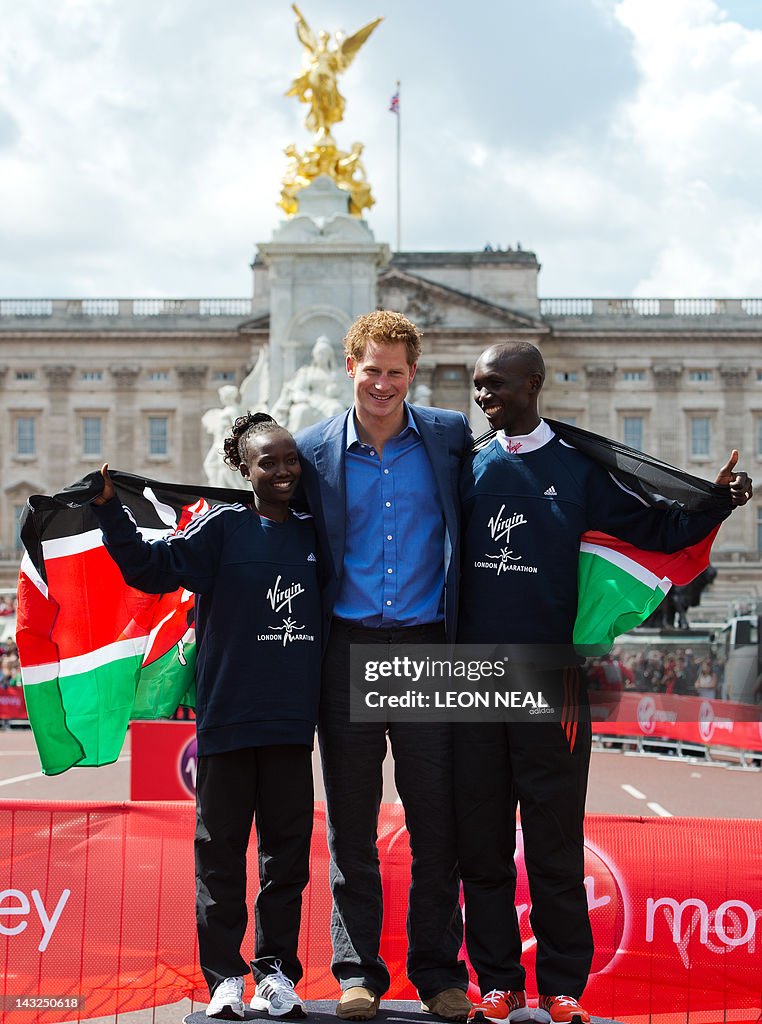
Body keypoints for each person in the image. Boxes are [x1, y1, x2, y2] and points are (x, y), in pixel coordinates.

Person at [454, 342, 753, 1024]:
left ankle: (563, 985)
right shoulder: (465, 466)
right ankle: (496, 980)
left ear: (534, 383)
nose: (483, 396)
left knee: (555, 840)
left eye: (495, 384)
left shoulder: (579, 467)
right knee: (482, 841)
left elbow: (656, 525)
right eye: (477, 385)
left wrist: (716, 502)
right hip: (468, 678)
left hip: (550, 678)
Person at [90, 413, 322, 1021]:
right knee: (218, 855)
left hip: (292, 723)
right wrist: (111, 510)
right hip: (225, 719)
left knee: (286, 859)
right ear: (242, 470)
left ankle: (276, 973)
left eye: (290, 460)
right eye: (267, 462)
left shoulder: (319, 533)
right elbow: (149, 568)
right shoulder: (223, 528)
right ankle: (224, 977)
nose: (282, 472)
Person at [296, 310, 473, 1022]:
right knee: (352, 826)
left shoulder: (449, 437)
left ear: (413, 374)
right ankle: (356, 972)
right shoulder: (312, 451)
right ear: (351, 368)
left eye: (396, 372)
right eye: (372, 369)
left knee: (438, 821)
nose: (383, 383)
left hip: (427, 645)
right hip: (348, 647)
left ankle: (438, 973)